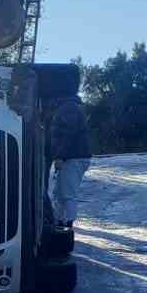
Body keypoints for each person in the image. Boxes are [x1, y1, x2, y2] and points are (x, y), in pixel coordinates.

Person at [49, 92, 92, 229]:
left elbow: (68, 135)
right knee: (61, 193)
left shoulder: (68, 108)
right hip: (74, 157)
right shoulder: (71, 107)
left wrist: (60, 156)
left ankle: (67, 223)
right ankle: (61, 221)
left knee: (67, 194)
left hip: (73, 158)